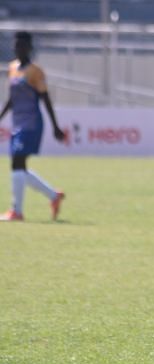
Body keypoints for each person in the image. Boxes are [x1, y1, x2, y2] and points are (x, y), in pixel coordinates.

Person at [0, 31, 65, 222]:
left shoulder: (36, 71)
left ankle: (16, 211)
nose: (17, 48)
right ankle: (54, 196)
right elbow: (11, 100)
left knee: (17, 163)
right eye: (16, 45)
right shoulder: (12, 68)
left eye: (21, 45)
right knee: (18, 167)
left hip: (31, 124)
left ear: (29, 47)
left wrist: (55, 126)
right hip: (17, 124)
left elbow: (45, 99)